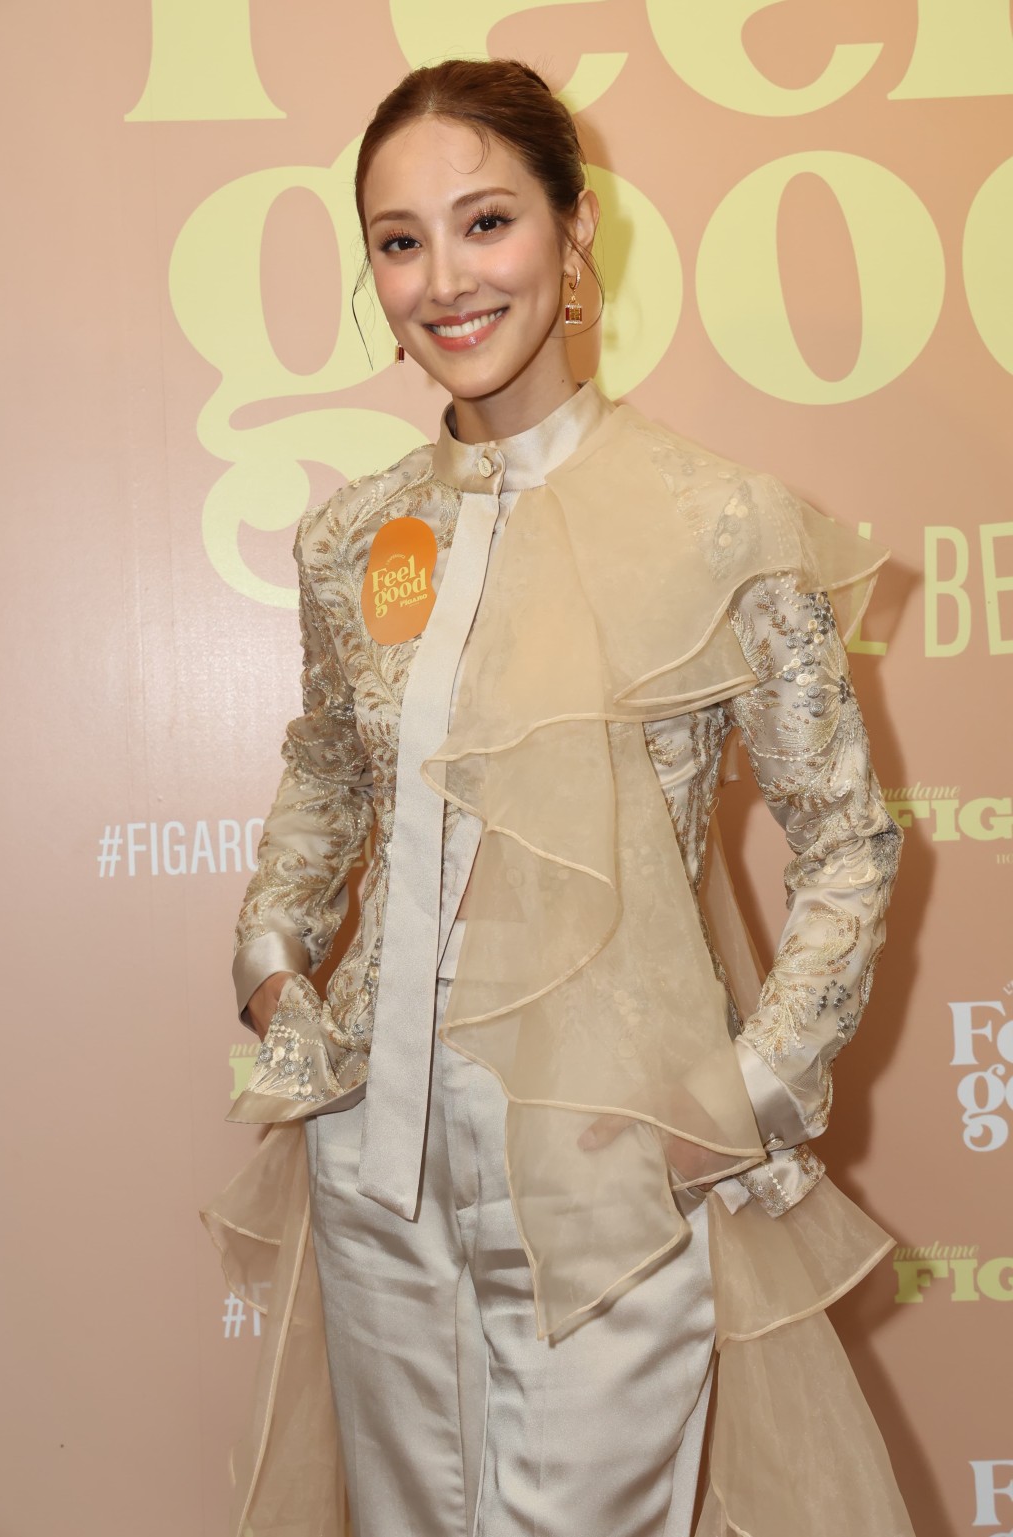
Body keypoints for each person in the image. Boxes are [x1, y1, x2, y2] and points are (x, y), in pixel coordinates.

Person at [205, 58, 915, 1537]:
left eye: (487, 222)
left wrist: (736, 1099)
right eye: (401, 242)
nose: (446, 281)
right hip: (376, 1155)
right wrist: (276, 966)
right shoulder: (353, 539)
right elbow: (326, 769)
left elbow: (848, 839)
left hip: (611, 1154)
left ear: (574, 229)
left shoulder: (722, 520)